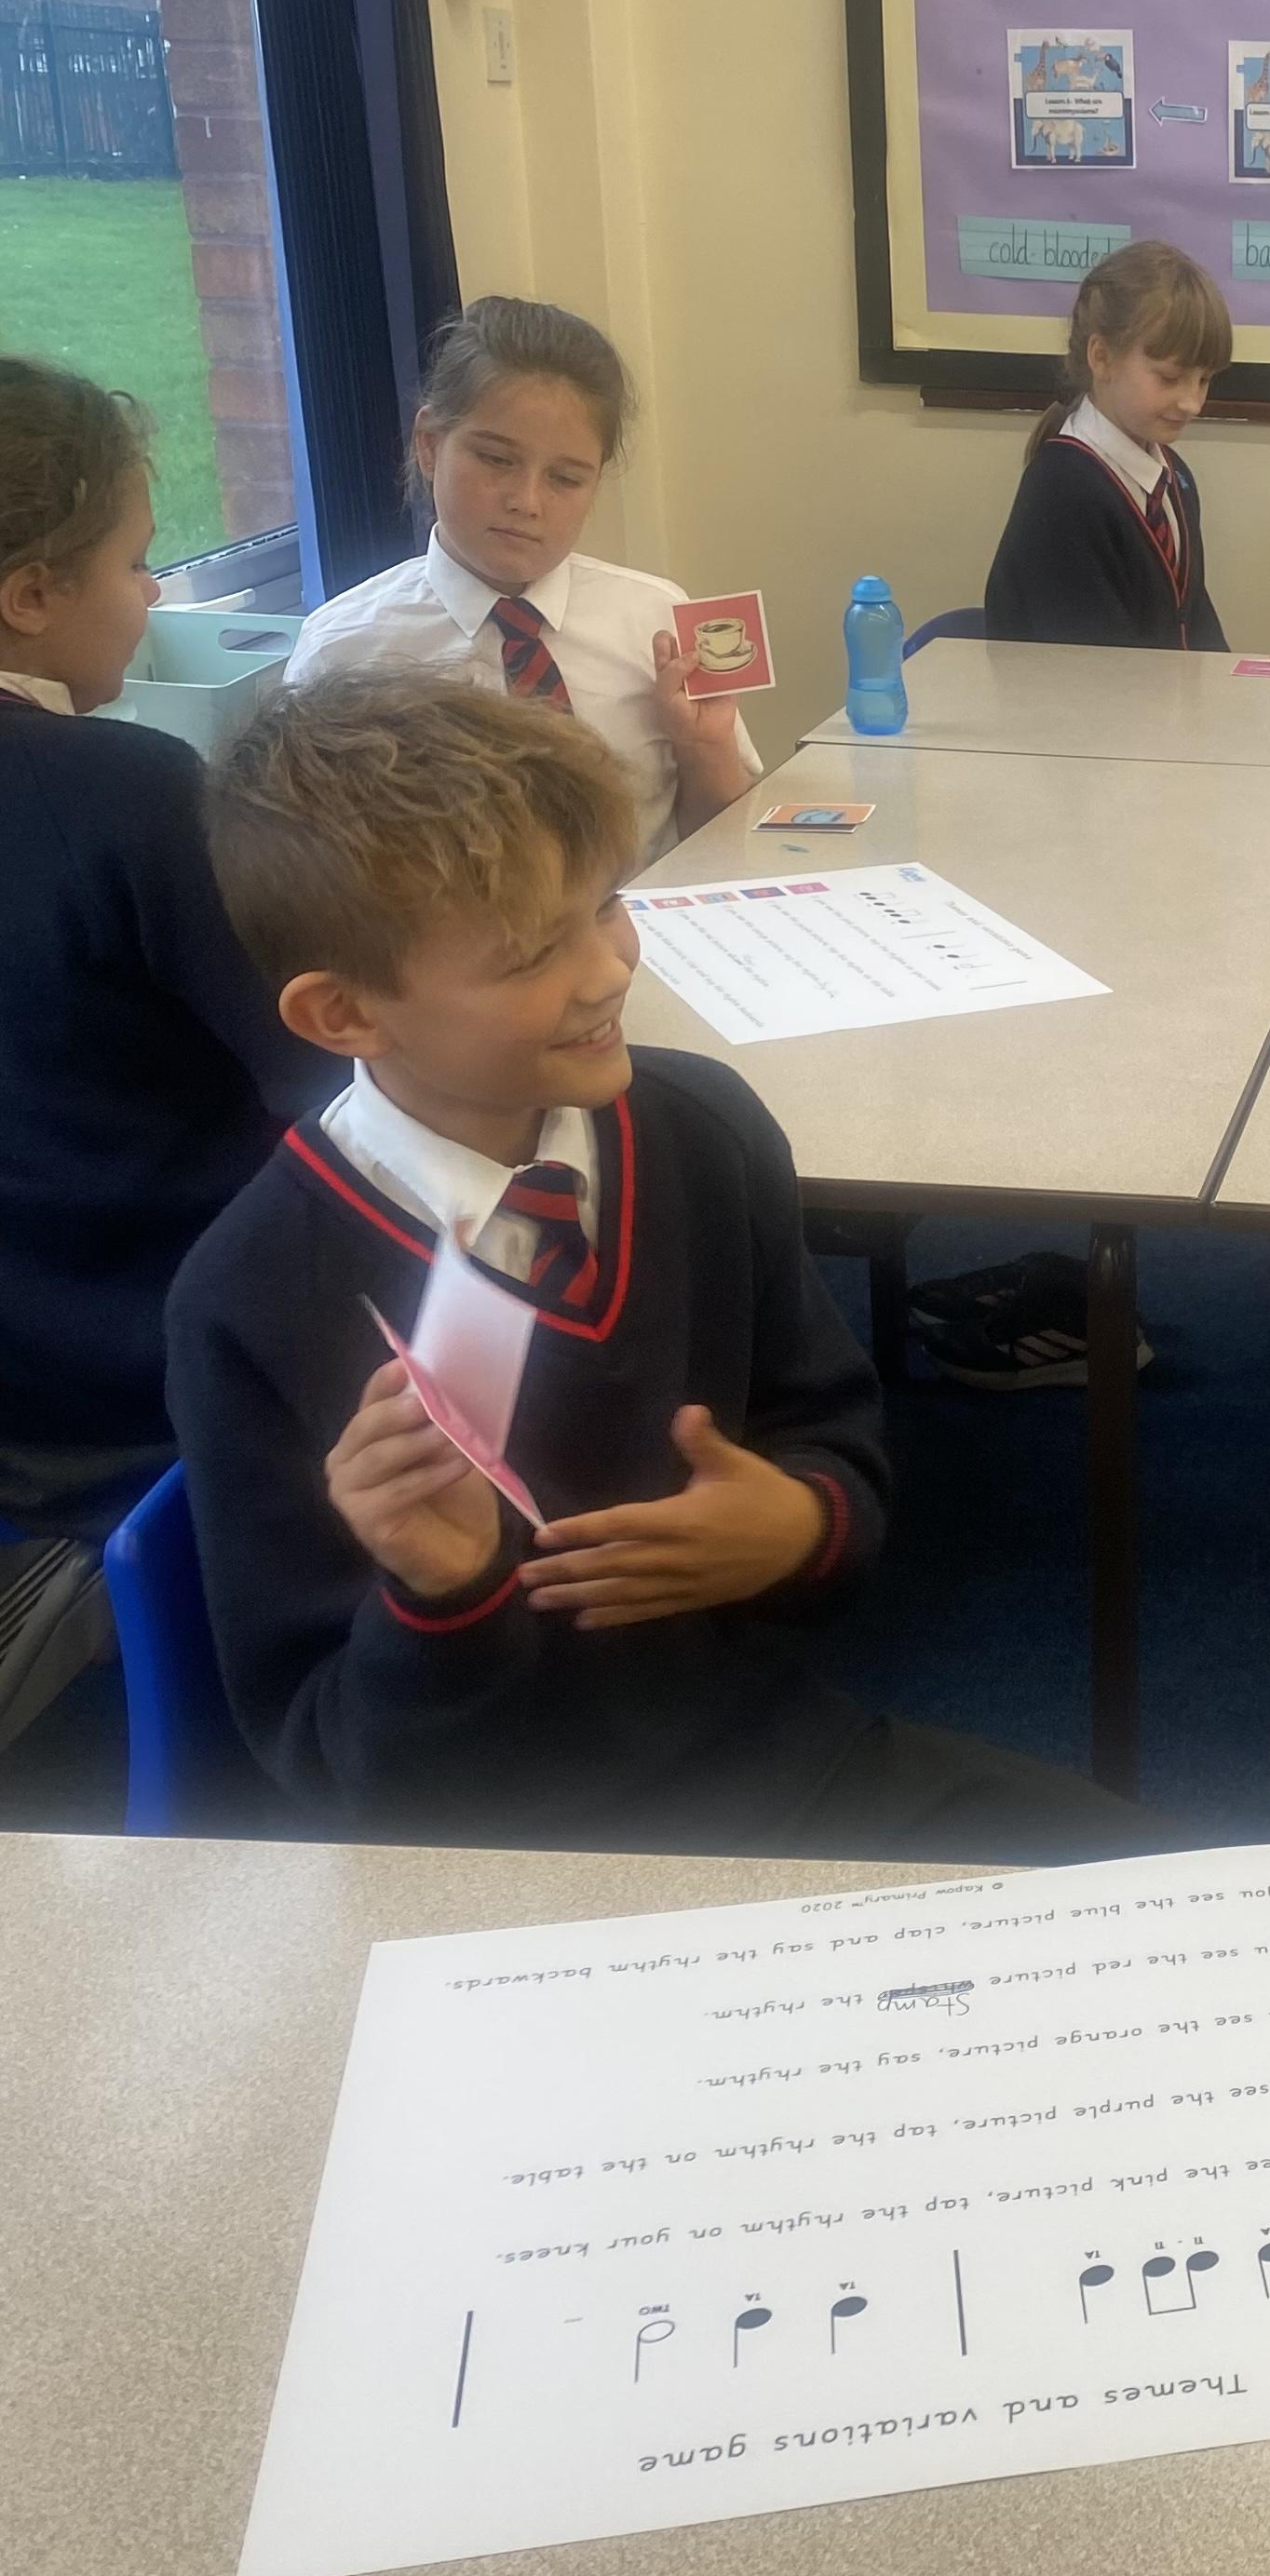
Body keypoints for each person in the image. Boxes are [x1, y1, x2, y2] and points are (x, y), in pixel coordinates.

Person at [170, 675, 1172, 1864]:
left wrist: (798, 1523)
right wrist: (441, 1597)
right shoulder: (249, 1300)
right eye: (531, 952)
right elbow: (338, 1775)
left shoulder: (700, 1129)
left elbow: (829, 1426)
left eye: (607, 903)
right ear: (344, 1015)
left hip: (773, 1769)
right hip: (480, 1863)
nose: (607, 970)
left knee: (1193, 1898)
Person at [0, 358, 331, 1745]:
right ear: (30, 594)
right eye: (137, 563)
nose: (151, 595)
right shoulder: (124, 791)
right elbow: (319, 1073)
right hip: (129, 1370)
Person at [284, 296, 757, 860]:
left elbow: (726, 853)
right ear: (429, 444)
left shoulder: (656, 619)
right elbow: (312, 875)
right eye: (496, 460)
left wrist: (705, 749)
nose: (526, 502)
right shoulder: (344, 651)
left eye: (565, 479)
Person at [983, 240, 1233, 653]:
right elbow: (1093, 667)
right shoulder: (1062, 491)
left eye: (1204, 380)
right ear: (1101, 358)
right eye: (1170, 378)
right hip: (1085, 693)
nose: (1192, 402)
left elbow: (1194, 621)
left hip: (1158, 692)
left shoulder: (1175, 477)